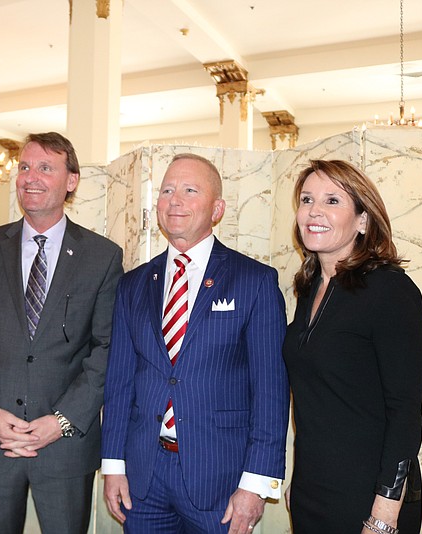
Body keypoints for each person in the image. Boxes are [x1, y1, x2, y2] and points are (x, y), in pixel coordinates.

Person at [101, 153, 289, 534]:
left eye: (190, 190)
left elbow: (271, 392)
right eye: (167, 190)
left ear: (217, 208)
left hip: (221, 479)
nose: (175, 200)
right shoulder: (133, 284)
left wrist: (255, 485)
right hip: (143, 477)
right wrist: (113, 465)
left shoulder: (254, 281)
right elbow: (119, 382)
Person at [0, 132, 124, 534]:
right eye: (25, 167)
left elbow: (106, 349)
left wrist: (60, 421)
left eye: (46, 168)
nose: (31, 177)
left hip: (64, 446)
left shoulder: (102, 256)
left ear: (71, 181)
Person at [283, 159, 422, 534]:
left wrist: (383, 515)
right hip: (312, 490)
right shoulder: (309, 287)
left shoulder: (391, 291)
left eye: (332, 201)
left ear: (363, 220)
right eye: (307, 199)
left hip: (370, 499)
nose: (314, 211)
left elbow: (406, 413)